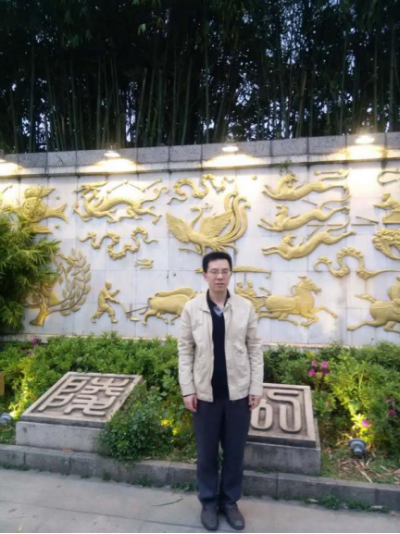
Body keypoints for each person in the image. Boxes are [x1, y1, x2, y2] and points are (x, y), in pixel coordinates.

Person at [178, 251, 263, 531]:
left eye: (224, 271)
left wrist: (256, 386)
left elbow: (255, 348)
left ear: (230, 274)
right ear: (205, 276)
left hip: (238, 394)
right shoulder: (192, 309)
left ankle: (229, 502)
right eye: (214, 271)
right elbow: (185, 351)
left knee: (235, 452)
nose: (219, 276)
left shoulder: (244, 307)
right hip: (205, 395)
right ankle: (208, 503)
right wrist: (187, 389)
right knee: (206, 453)